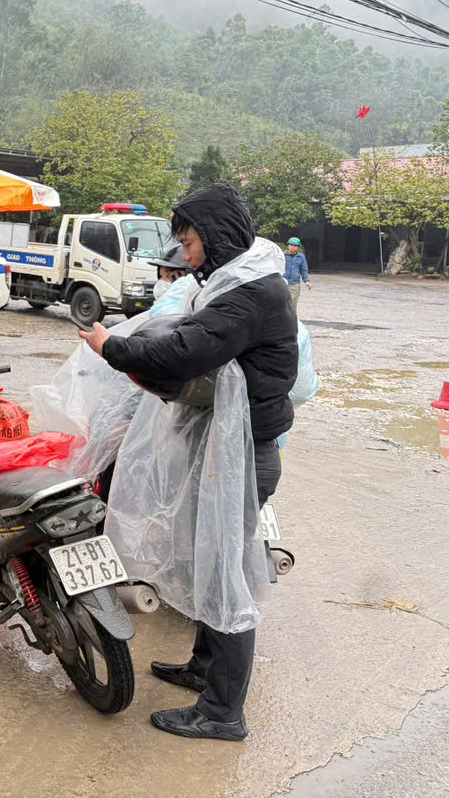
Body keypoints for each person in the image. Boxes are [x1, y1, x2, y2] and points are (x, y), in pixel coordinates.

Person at [78, 183, 297, 742]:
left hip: (241, 460)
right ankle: (204, 668)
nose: (187, 254)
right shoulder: (239, 280)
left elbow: (186, 351)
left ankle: (223, 712)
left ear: (217, 238)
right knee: (206, 563)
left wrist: (113, 348)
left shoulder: (250, 293)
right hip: (227, 452)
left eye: (191, 241)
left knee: (225, 576)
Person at [284, 237, 311, 313]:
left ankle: (292, 320)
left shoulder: (301, 257)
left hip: (294, 284)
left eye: (295, 245)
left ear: (298, 247)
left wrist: (306, 281)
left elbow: (304, 270)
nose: (293, 247)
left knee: (292, 305)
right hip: (282, 283)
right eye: (291, 245)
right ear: (288, 245)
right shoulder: (282, 255)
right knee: (281, 304)